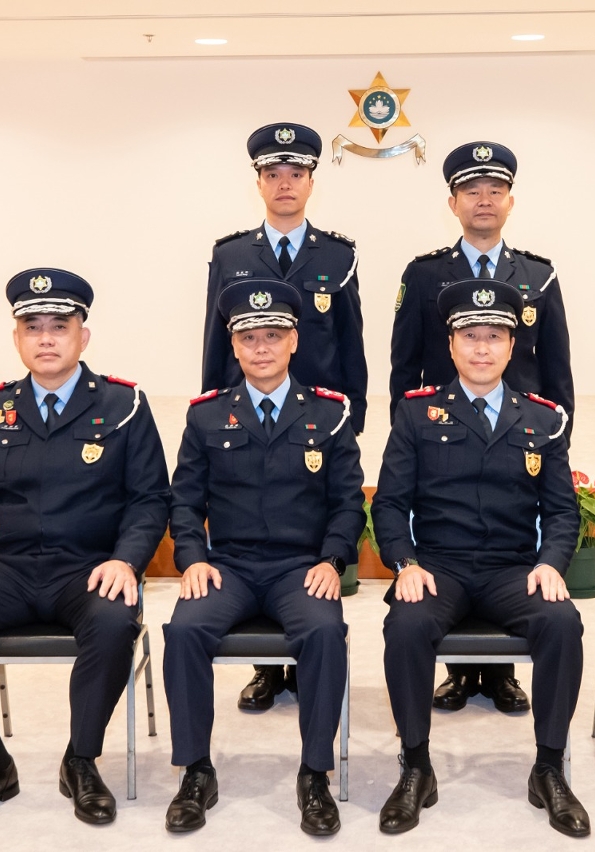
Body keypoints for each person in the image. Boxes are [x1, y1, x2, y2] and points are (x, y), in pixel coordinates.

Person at [0, 268, 171, 829]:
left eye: (59, 326)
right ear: (17, 339)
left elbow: (150, 499)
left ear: (83, 336)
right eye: (33, 327)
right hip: (11, 567)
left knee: (113, 621)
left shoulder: (123, 405)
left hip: (90, 568)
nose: (46, 338)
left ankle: (81, 760)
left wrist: (126, 560)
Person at [373, 279, 589, 838]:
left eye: (494, 336)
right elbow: (390, 504)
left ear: (513, 346)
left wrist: (550, 563)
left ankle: (549, 768)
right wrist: (404, 564)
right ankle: (415, 766)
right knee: (405, 624)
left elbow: (562, 510)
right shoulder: (417, 414)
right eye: (470, 336)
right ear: (450, 345)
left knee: (562, 622)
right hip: (438, 567)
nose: (482, 348)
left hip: (511, 569)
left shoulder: (542, 420)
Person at [162, 278, 365, 837]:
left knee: (324, 632)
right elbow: (184, 501)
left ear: (294, 340)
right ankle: (195, 771)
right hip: (227, 567)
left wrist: (332, 560)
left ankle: (314, 774)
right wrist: (193, 558)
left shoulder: (329, 414)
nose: (261, 347)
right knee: (184, 630)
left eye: (273, 335)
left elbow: (348, 502)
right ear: (233, 345)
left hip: (300, 569)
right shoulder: (206, 417)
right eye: (248, 337)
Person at [389, 141, 576, 716]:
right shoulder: (424, 275)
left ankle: (499, 676)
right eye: (472, 191)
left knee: (506, 540)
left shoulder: (538, 275)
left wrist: (553, 445)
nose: (485, 200)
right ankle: (459, 672)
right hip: (442, 431)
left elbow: (557, 370)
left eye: (496, 190)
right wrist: (410, 435)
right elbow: (404, 366)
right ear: (454, 203)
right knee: (450, 543)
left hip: (520, 434)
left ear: (511, 201)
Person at [203, 122, 369, 711]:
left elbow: (351, 343)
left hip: (318, 425)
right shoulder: (231, 255)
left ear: (311, 182)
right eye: (273, 174)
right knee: (252, 528)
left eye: (295, 174)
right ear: (259, 183)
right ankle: (268, 671)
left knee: (310, 536)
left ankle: (307, 657)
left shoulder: (338, 255)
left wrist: (352, 419)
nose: (284, 184)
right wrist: (214, 414)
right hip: (247, 421)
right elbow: (216, 345)